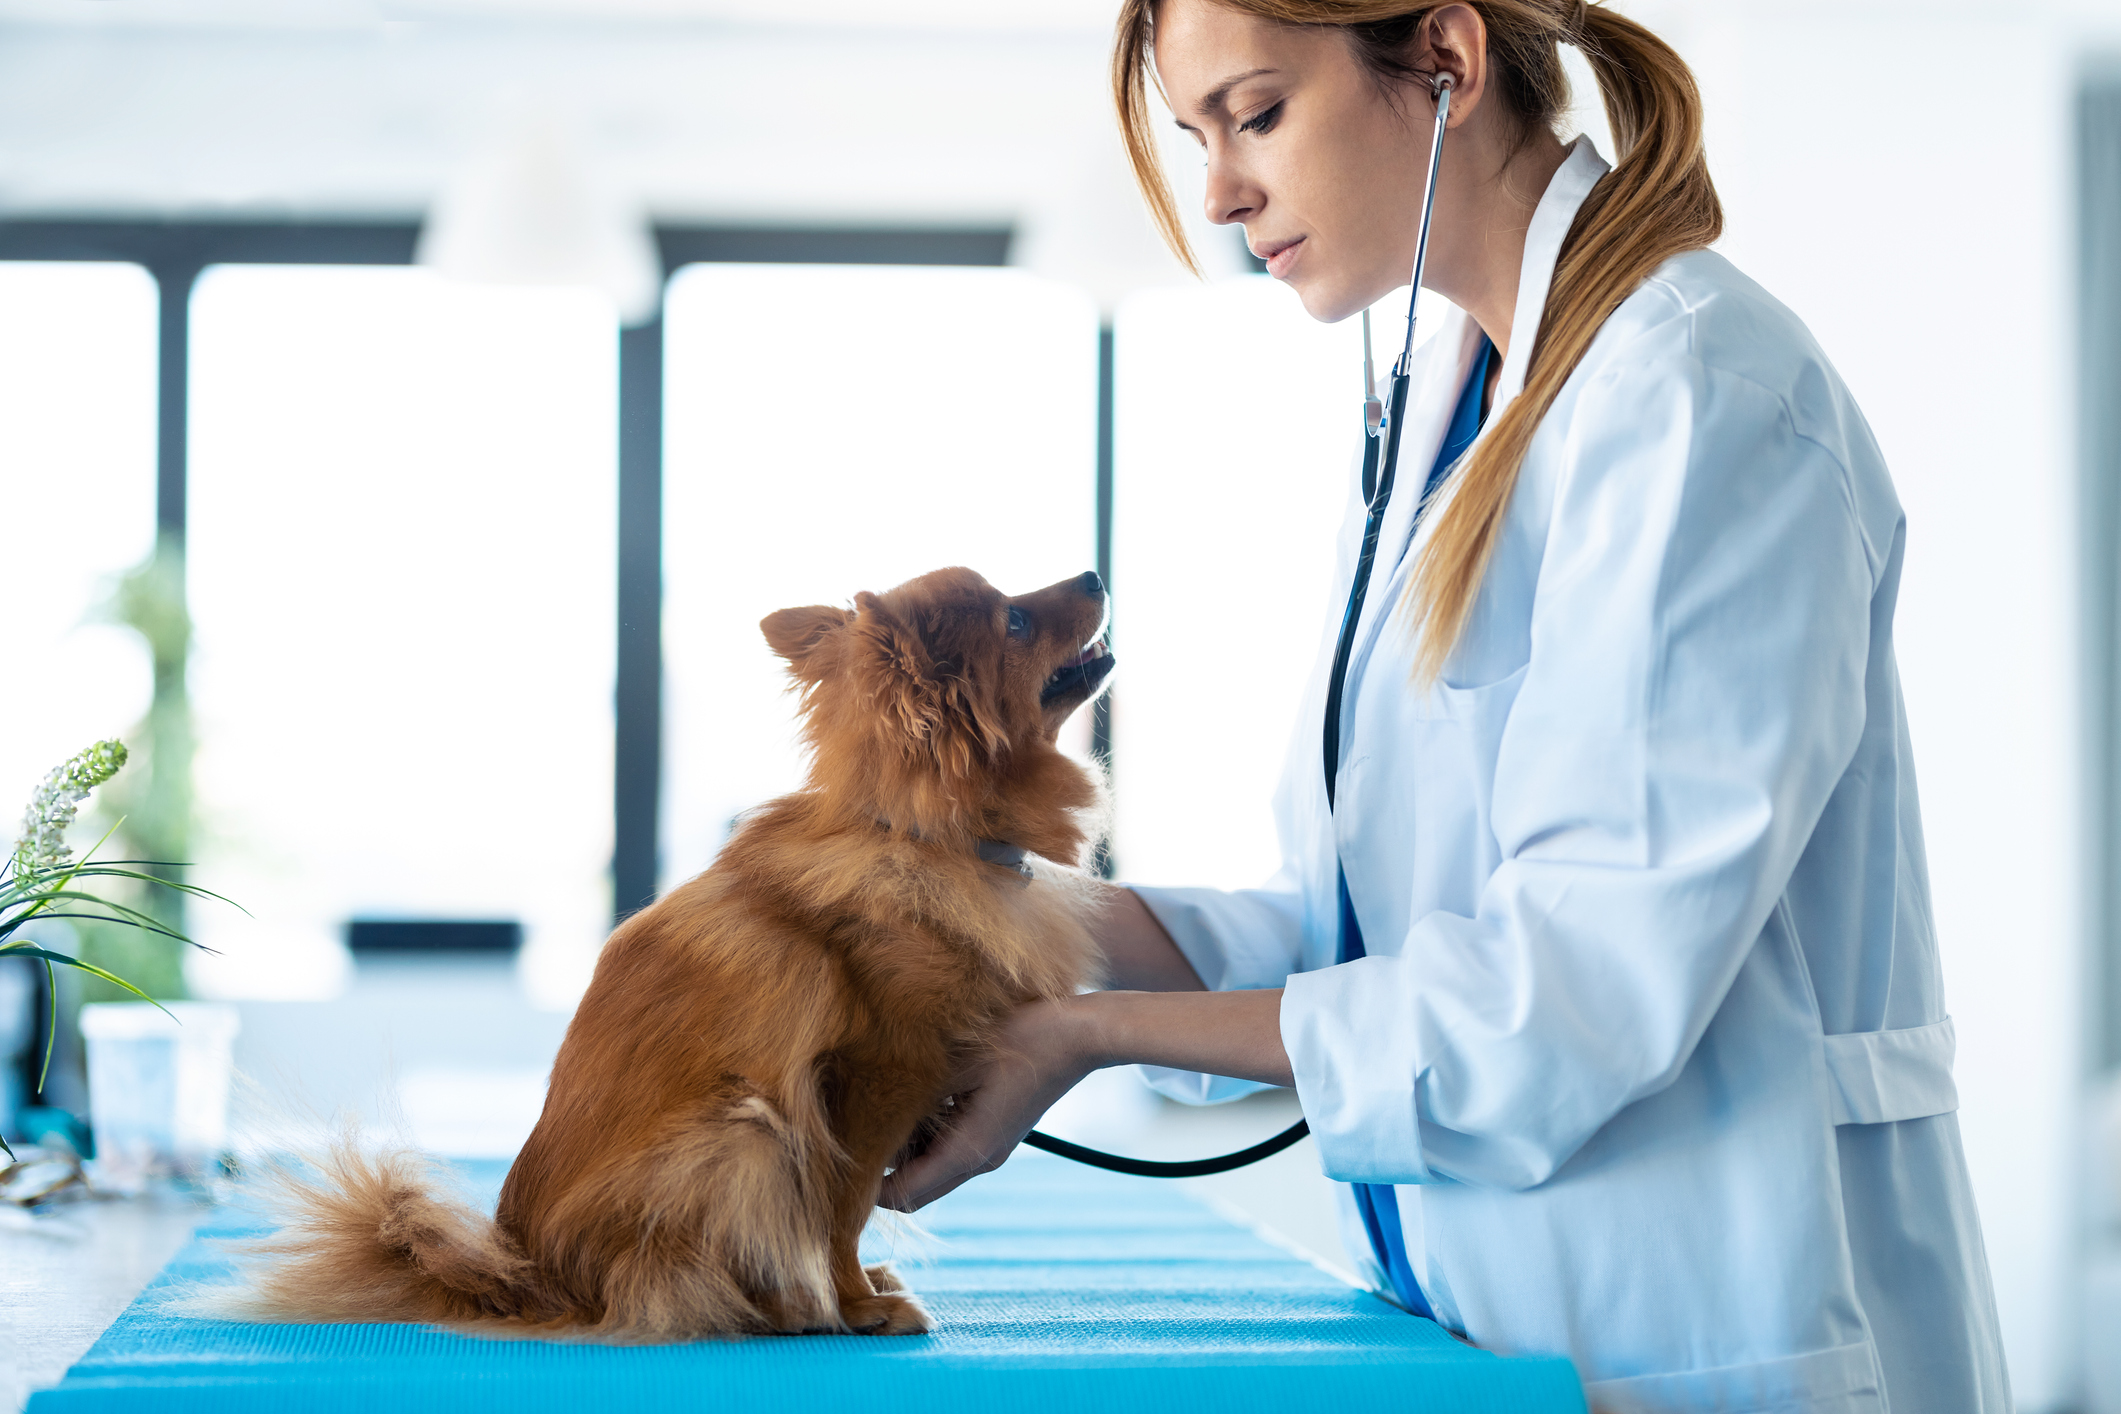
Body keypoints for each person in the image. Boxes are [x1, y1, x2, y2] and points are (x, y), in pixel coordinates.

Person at [883, 2, 2010, 1409]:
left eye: (1255, 113)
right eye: (1197, 138)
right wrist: (976, 909)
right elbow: (1351, 921)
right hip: (1490, 1328)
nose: (1220, 192)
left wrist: (1082, 1032)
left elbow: (1566, 994)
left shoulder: (1694, 393)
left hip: (1716, 1325)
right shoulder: (1448, 394)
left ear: (1446, 63)